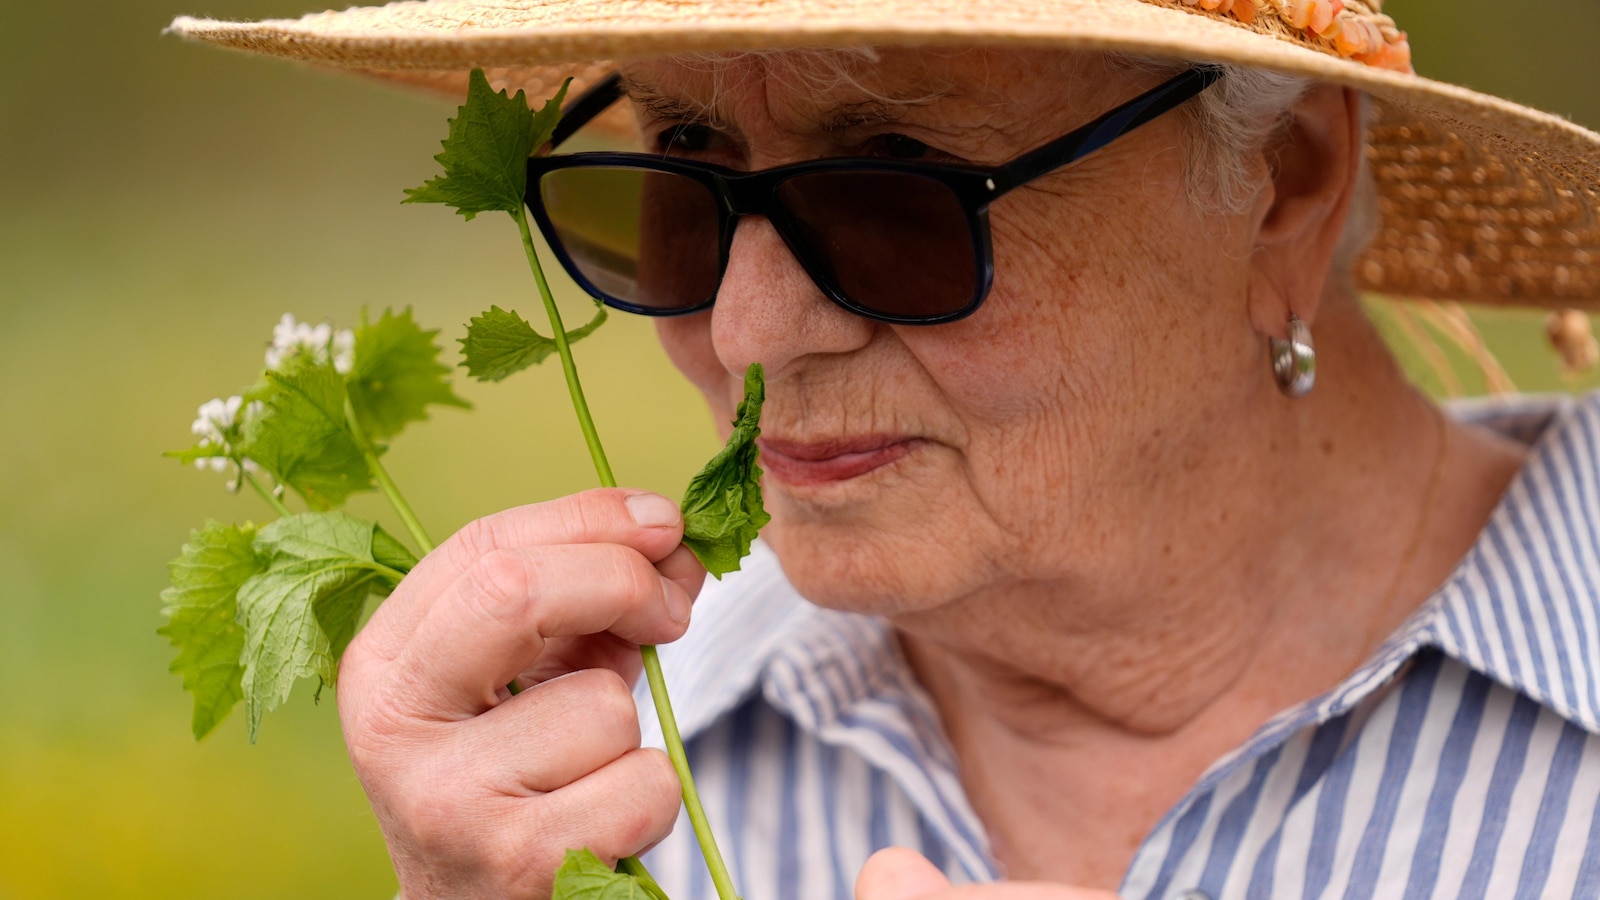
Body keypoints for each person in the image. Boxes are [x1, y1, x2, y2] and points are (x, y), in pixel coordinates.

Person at [169, 1, 1600, 897]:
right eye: (680, 181)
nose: (747, 325)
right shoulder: (614, 776)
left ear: (1284, 179)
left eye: (892, 196)